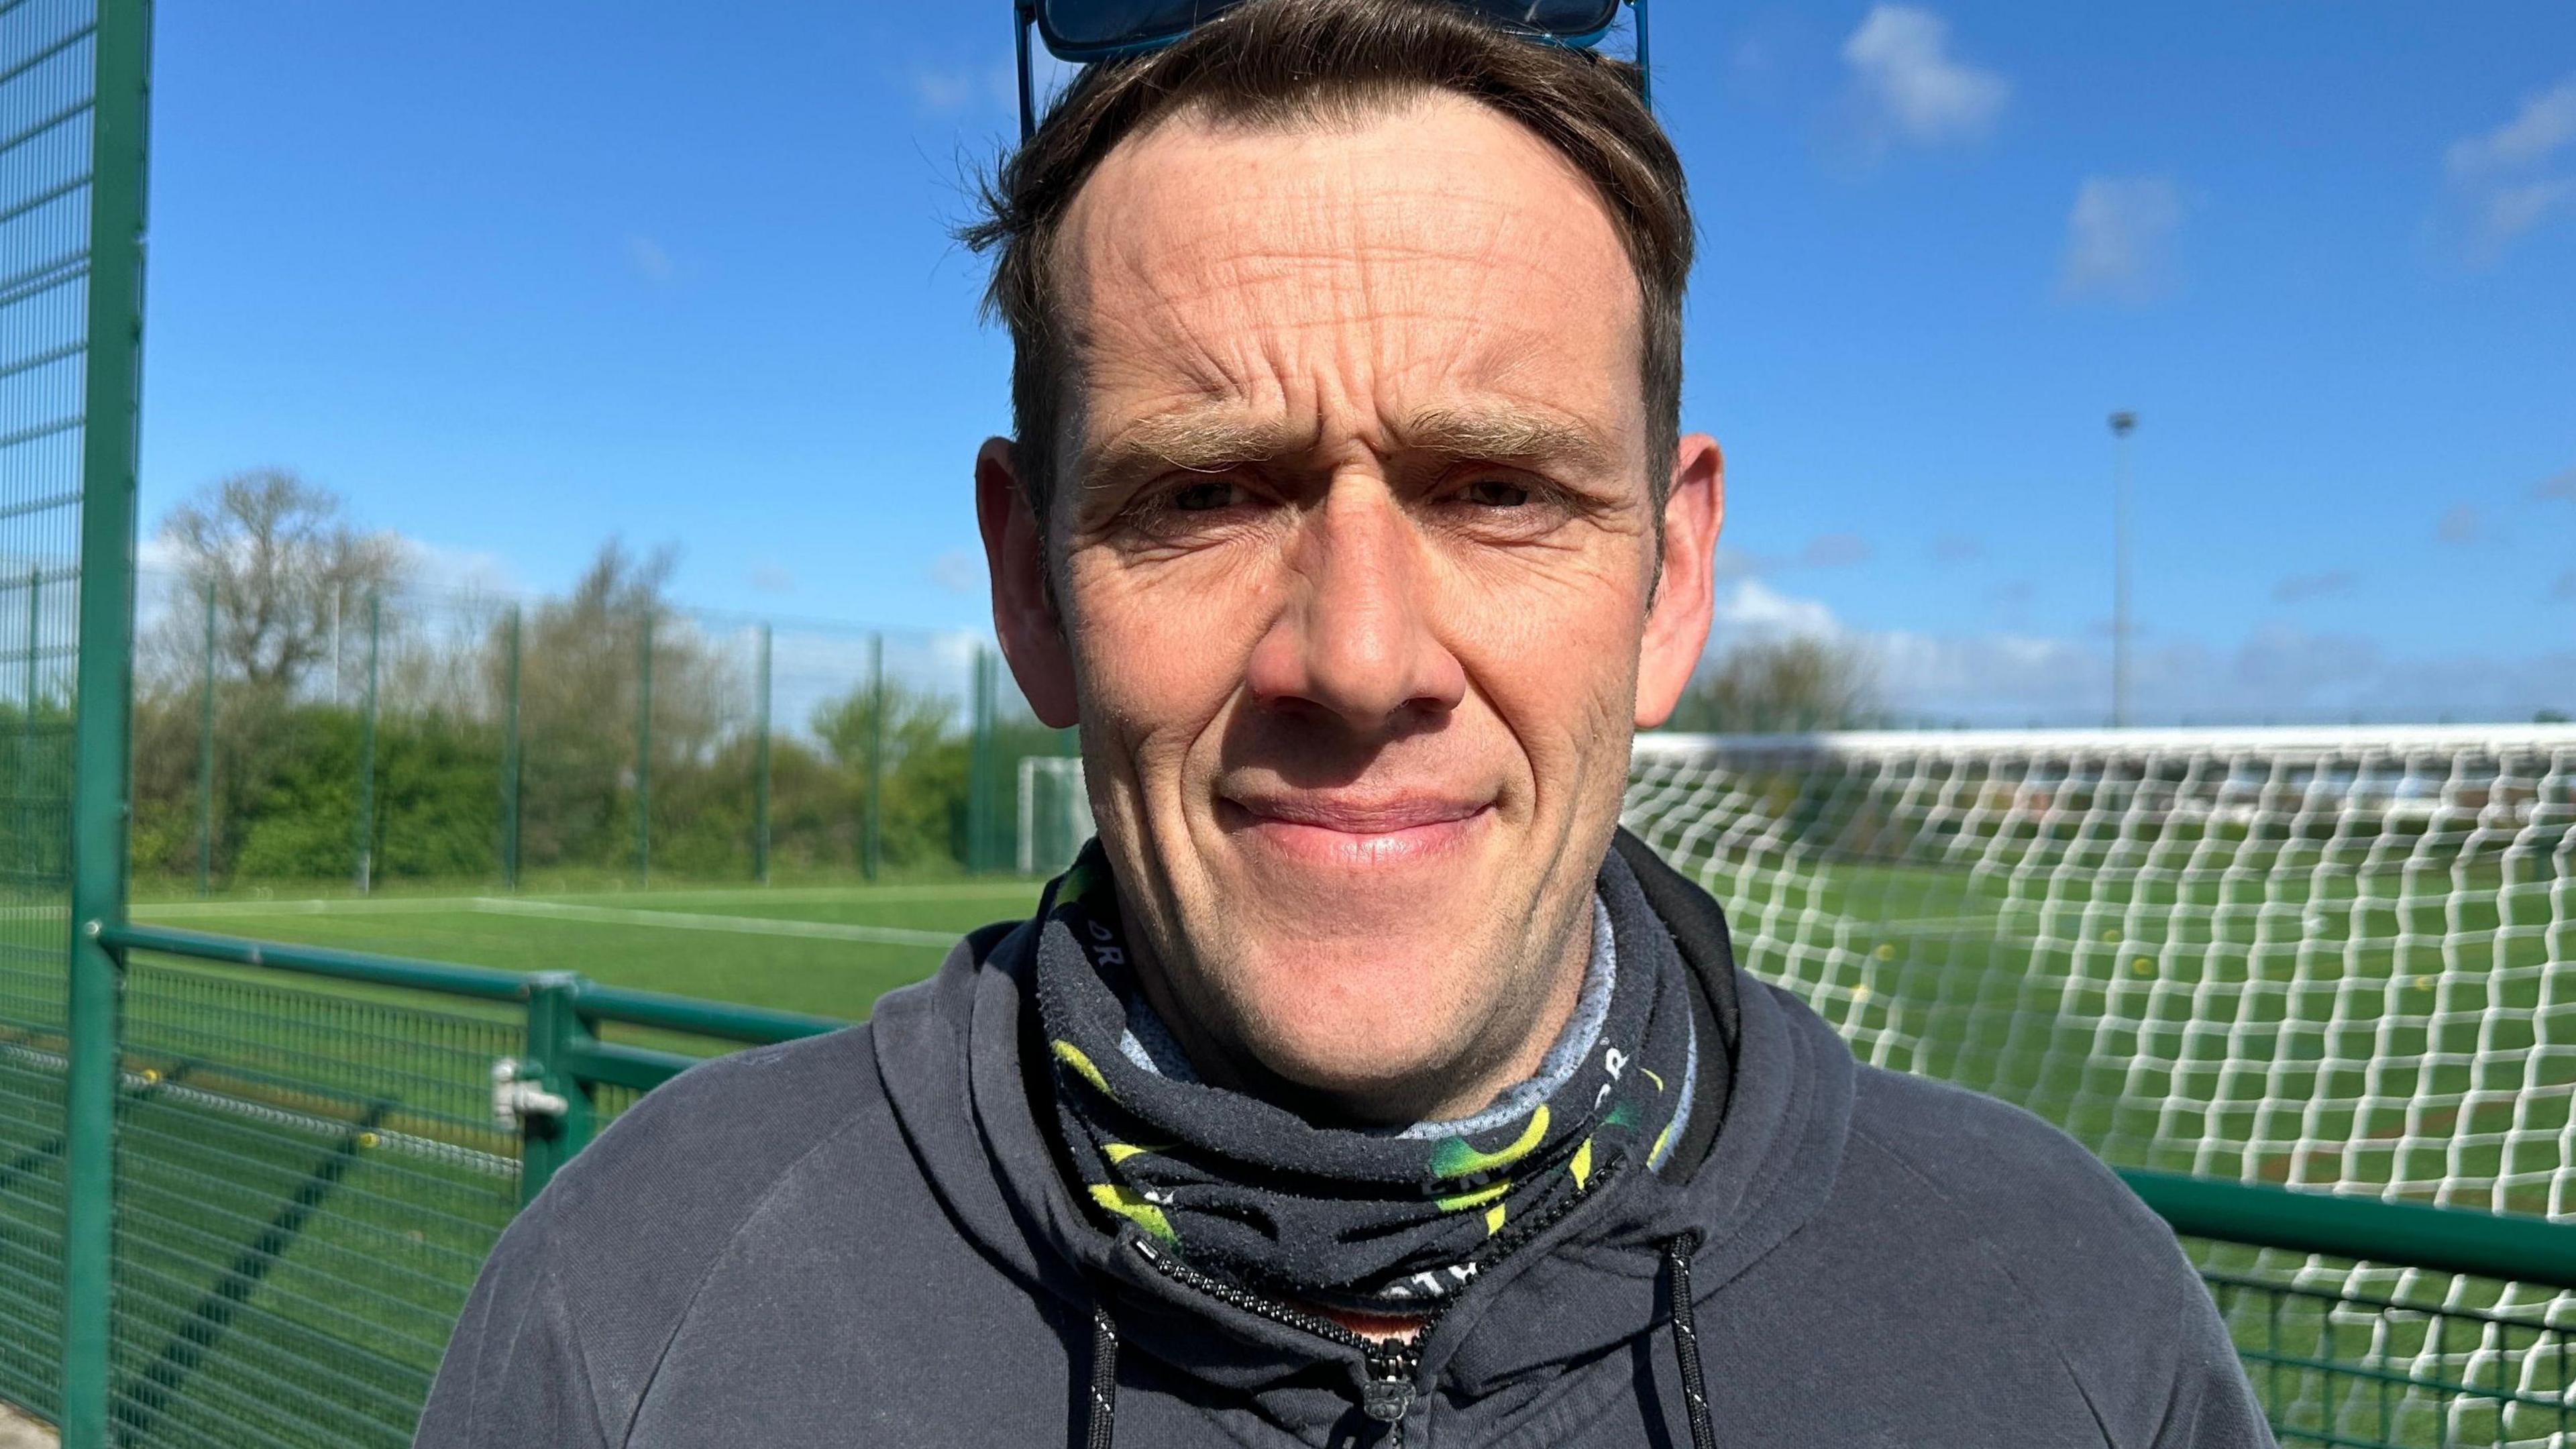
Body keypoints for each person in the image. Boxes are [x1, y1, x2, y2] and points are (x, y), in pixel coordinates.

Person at [414, 2, 2271, 1444]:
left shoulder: (2061, 1317)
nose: (1361, 655)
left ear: (1675, 579)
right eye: (1209, 496)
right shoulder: (642, 1307)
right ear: (1031, 585)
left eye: (1497, 492)